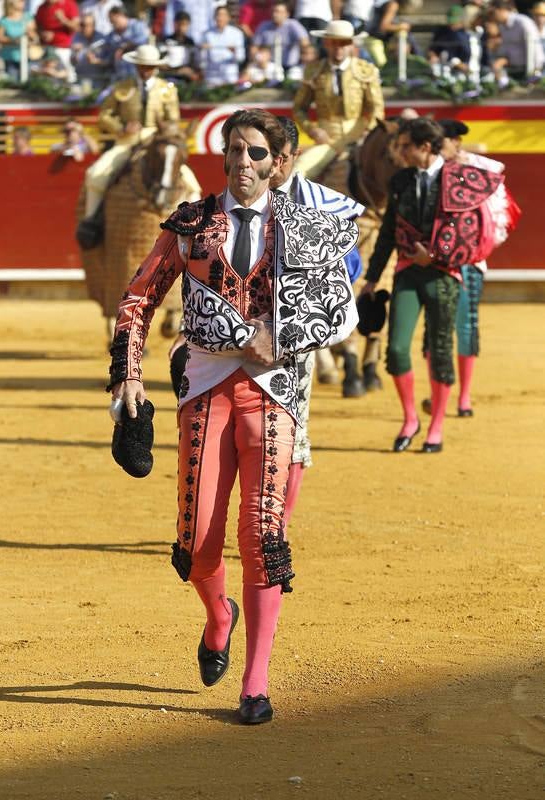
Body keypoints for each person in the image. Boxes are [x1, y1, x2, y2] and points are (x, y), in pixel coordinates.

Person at [107, 109, 359, 723]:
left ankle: (256, 683)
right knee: (195, 544)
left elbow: (340, 307)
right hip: (205, 388)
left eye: (253, 153)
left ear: (277, 161)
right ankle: (220, 616)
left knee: (263, 538)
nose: (241, 163)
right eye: (233, 151)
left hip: (272, 393)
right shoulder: (192, 222)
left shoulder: (306, 224)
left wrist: (285, 331)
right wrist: (129, 375)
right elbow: (139, 297)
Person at [361, 117, 503, 453]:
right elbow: (387, 233)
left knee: (439, 351)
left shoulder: (459, 180)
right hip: (409, 272)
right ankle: (411, 418)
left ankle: (436, 426)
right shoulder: (401, 181)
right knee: (396, 349)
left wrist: (437, 254)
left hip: (444, 275)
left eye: (406, 145)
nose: (401, 151)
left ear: (425, 147)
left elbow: (470, 231)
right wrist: (371, 277)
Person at [270, 115, 364, 527]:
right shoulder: (228, 205)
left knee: (293, 432)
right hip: (233, 336)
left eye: (277, 157)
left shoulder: (324, 204)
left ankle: (278, 525)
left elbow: (351, 265)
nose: (268, 166)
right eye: (258, 153)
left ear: (293, 157)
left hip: (295, 335)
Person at [420, 118, 520, 418]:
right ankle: (437, 391)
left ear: (455, 143)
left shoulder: (478, 170)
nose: (441, 149)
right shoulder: (427, 175)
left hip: (469, 265)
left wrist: (476, 250)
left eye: (445, 142)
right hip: (435, 264)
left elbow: (500, 212)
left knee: (465, 327)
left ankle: (464, 396)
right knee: (434, 331)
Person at [84, 43, 199, 218]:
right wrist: (122, 127)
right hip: (127, 142)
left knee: (192, 186)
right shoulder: (122, 88)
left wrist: (165, 132)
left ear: (156, 67)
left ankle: (193, 223)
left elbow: (173, 120)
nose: (146, 70)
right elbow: (105, 116)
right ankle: (91, 222)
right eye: (143, 66)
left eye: (150, 66)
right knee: (95, 174)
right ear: (136, 65)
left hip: (157, 141)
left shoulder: (166, 90)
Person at [293, 19, 384, 180]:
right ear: (326, 44)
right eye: (333, 43)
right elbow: (299, 108)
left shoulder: (365, 70)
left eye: (343, 43)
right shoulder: (314, 71)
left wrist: (368, 133)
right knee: (298, 172)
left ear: (351, 45)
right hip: (327, 140)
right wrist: (313, 130)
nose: (338, 48)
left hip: (359, 140)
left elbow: (376, 108)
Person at [488, 0, 544, 82]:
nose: (491, 16)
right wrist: (501, 59)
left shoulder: (522, 22)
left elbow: (533, 49)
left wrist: (531, 73)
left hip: (532, 71)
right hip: (515, 70)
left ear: (501, 10)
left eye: (493, 13)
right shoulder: (502, 26)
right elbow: (507, 47)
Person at [252, 1, 309, 77]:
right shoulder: (264, 26)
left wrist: (304, 58)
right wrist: (259, 58)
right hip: (269, 66)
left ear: (287, 14)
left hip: (291, 66)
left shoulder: (293, 25)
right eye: (273, 11)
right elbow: (254, 47)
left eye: (278, 12)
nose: (274, 14)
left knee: (294, 77)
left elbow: (305, 43)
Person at [200, 5, 245, 87]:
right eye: (218, 15)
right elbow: (201, 61)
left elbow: (241, 58)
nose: (220, 18)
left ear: (228, 17)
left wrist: (234, 52)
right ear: (214, 17)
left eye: (223, 15)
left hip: (230, 77)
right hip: (211, 78)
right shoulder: (206, 34)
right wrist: (202, 50)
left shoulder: (237, 33)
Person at [35, 0, 80, 82]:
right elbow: (38, 27)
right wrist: (43, 34)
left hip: (64, 48)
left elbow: (76, 27)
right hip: (47, 49)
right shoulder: (42, 7)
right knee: (47, 78)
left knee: (67, 76)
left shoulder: (70, 4)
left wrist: (63, 19)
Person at [101, 4, 149, 79]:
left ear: (120, 15)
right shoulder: (111, 35)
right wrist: (98, 60)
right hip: (120, 77)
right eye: (111, 21)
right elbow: (107, 54)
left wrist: (125, 47)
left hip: (138, 75)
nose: (112, 23)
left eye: (113, 20)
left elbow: (143, 38)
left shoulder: (136, 25)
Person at [0, 0, 38, 81]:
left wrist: (30, 34)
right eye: (20, 1)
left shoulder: (27, 17)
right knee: (12, 82)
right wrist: (13, 40)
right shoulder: (5, 20)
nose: (23, 2)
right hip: (10, 57)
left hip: (26, 57)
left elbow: (34, 36)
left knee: (26, 83)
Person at [157, 9, 199, 82]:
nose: (181, 27)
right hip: (169, 79)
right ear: (174, 24)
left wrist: (190, 71)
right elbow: (160, 64)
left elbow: (194, 63)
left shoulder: (190, 42)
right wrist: (177, 71)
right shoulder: (166, 41)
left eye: (185, 24)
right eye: (179, 24)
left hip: (186, 81)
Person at [71, 11, 108, 87]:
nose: (84, 28)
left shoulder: (102, 39)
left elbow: (110, 63)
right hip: (80, 79)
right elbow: (72, 61)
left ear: (93, 26)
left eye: (87, 25)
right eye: (82, 25)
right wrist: (75, 56)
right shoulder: (76, 37)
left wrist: (96, 61)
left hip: (98, 80)